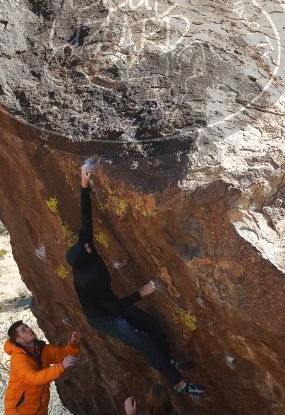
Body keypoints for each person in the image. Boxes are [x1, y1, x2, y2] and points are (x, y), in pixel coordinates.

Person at [66, 163, 204, 396]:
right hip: (104, 317)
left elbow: (85, 219)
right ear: (85, 260)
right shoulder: (91, 279)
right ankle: (180, 385)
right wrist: (142, 292)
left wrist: (84, 186)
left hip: (109, 305)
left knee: (151, 324)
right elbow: (115, 307)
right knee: (144, 342)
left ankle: (169, 360)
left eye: (86, 243)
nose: (88, 243)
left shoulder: (84, 250)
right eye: (87, 246)